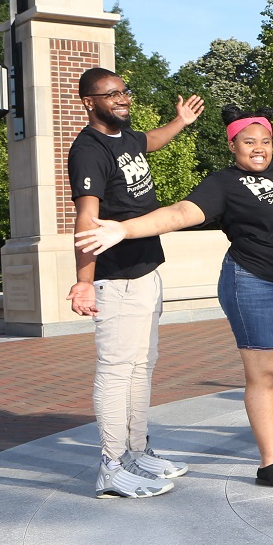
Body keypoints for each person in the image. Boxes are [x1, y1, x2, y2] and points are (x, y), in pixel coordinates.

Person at [77, 105, 273, 487]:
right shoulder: (223, 183)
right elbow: (180, 213)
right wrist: (124, 229)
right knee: (266, 375)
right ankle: (270, 464)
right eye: (249, 142)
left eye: (265, 142)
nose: (259, 149)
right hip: (253, 283)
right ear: (231, 144)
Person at [67, 67, 203, 499]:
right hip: (115, 278)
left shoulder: (125, 136)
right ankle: (110, 464)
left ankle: (137, 451)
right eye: (112, 94)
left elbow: (152, 140)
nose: (122, 99)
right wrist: (83, 281)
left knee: (142, 365)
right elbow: (86, 219)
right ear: (89, 101)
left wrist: (180, 122)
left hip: (146, 270)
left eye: (125, 91)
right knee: (116, 370)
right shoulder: (87, 151)